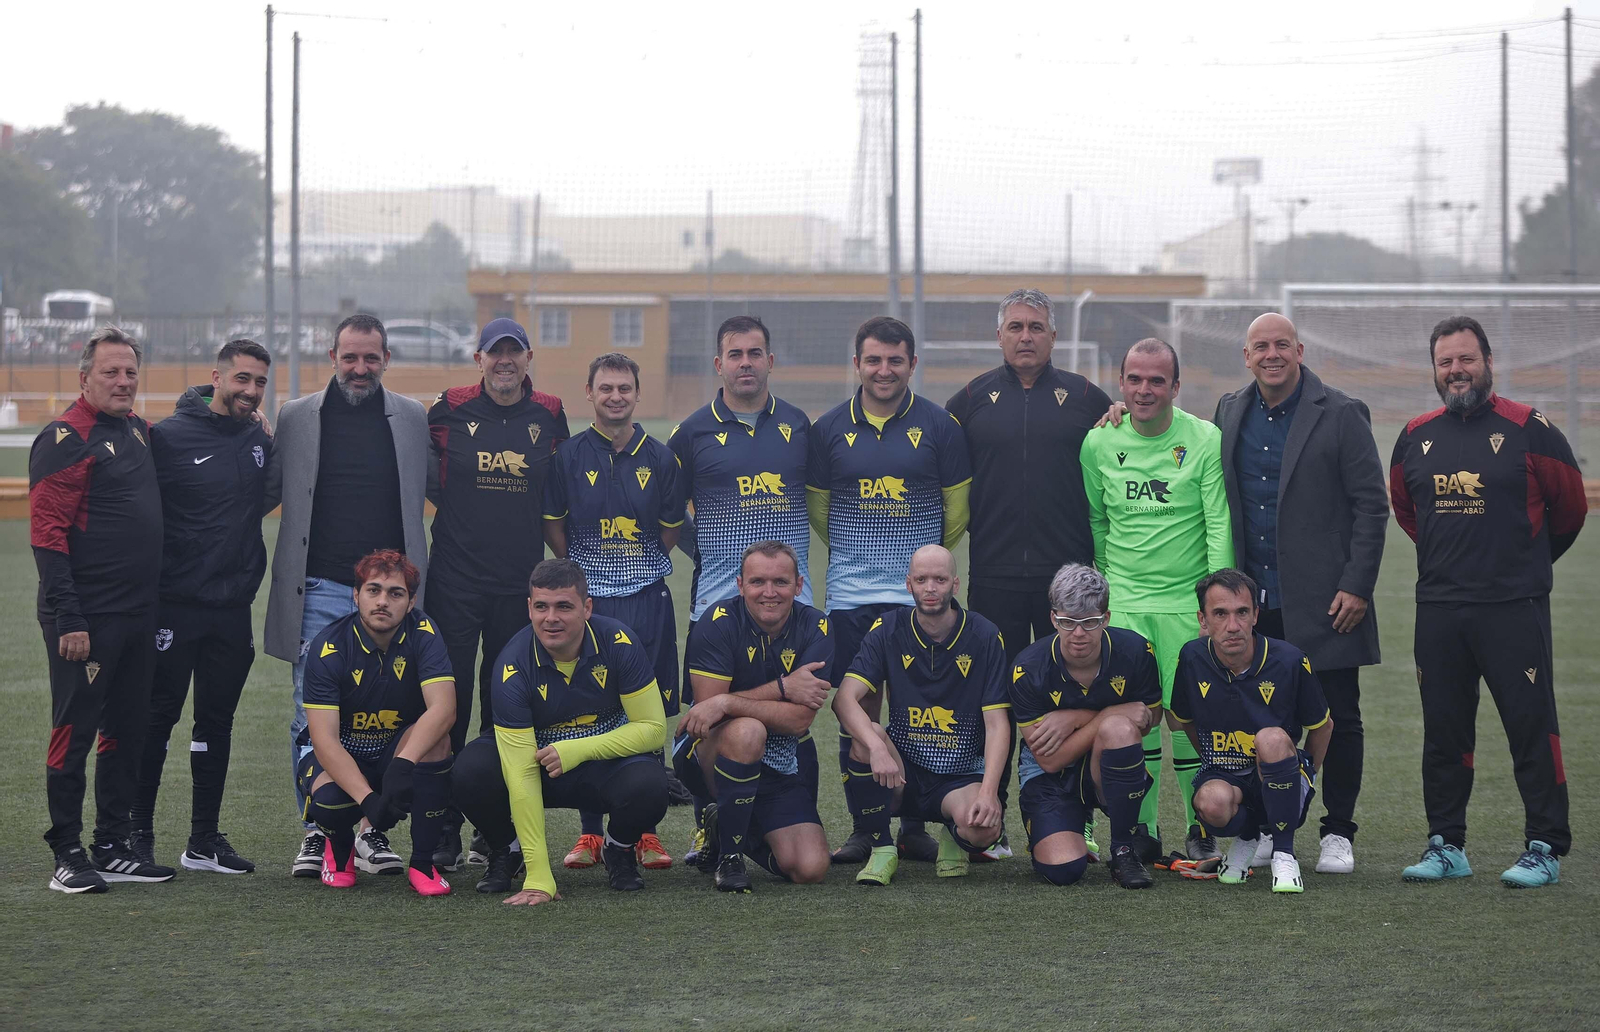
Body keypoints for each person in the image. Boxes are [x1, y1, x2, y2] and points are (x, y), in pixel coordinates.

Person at [1390, 315, 1585, 889]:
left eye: (1466, 359)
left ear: (1488, 361)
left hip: (1512, 607)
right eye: (1445, 362)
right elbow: (1409, 510)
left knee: (1530, 727)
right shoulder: (1414, 435)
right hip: (1440, 610)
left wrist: (1523, 562)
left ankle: (1544, 847)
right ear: (1434, 369)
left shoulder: (1531, 427)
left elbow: (1569, 510)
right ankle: (1446, 845)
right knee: (1443, 731)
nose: (1456, 371)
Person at [1211, 312, 1388, 875]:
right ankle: (1268, 825)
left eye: (1281, 345)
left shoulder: (1341, 413)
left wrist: (1356, 585)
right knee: (1266, 724)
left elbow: (1371, 505)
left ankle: (1338, 831)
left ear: (1300, 351)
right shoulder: (1228, 409)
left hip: (1328, 601)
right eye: (1260, 346)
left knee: (1340, 716)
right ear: (1246, 355)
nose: (1271, 354)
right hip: (1255, 606)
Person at [265, 313, 431, 878]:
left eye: (371, 358)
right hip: (320, 590)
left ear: (386, 360)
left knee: (395, 712)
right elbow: (260, 488)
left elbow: (443, 487)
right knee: (311, 715)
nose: (360, 369)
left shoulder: (412, 419)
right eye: (350, 357)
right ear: (331, 357)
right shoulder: (295, 418)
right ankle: (318, 831)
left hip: (395, 593)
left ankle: (371, 833)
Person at [807, 316, 972, 865]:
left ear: (912, 364)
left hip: (918, 598)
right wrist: (862, 555)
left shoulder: (940, 426)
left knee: (924, 709)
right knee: (860, 708)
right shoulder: (828, 428)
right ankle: (865, 826)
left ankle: (914, 826)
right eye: (873, 360)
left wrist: (918, 568)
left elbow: (956, 511)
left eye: (895, 360)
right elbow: (820, 511)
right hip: (852, 597)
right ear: (857, 364)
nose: (884, 370)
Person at [667, 315, 814, 862]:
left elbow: (820, 501)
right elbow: (668, 512)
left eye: (756, 352)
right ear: (719, 364)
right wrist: (706, 551)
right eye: (735, 354)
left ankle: (774, 816)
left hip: (790, 604)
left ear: (770, 361)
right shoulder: (691, 432)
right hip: (717, 605)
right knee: (717, 720)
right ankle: (711, 812)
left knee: (787, 718)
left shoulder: (800, 426)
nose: (746, 363)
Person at [1081, 337, 1232, 864]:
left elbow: (1217, 522)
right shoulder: (1099, 442)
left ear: (1175, 386)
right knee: (1132, 718)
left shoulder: (1204, 438)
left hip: (1186, 607)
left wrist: (1214, 604)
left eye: (1156, 380)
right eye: (1135, 379)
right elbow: (1098, 522)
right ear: (1121, 382)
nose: (1145, 390)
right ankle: (1140, 831)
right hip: (1124, 607)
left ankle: (1200, 827)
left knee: (1188, 720)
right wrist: (1110, 590)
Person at [424, 317, 568, 870]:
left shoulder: (551, 413)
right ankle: (441, 827)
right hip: (455, 583)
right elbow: (421, 467)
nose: (504, 361)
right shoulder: (449, 406)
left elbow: (559, 489)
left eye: (514, 352)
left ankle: (493, 824)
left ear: (528, 357)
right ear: (478, 358)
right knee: (447, 704)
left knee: (504, 703)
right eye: (494, 352)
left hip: (519, 585)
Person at [31, 326, 172, 893]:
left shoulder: (137, 430)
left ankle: (112, 845)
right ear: (83, 376)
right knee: (76, 729)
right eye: (110, 372)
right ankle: (67, 851)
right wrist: (70, 618)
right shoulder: (65, 438)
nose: (122, 381)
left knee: (127, 730)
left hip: (139, 616)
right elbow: (46, 534)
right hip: (86, 620)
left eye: (131, 372)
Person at [130, 339, 274, 875]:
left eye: (259, 382)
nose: (250, 391)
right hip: (174, 606)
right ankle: (137, 835)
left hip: (232, 607)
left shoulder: (259, 440)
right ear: (216, 376)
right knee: (157, 719)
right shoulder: (166, 438)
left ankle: (203, 840)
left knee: (217, 721)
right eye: (241, 379)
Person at [452, 560, 670, 902]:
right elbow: (521, 772)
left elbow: (654, 730)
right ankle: (509, 851)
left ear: (587, 608)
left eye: (564, 606)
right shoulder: (512, 664)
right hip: (537, 765)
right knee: (470, 770)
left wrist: (577, 749)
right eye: (541, 606)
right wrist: (540, 878)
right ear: (529, 608)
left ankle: (618, 848)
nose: (550, 618)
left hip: (602, 765)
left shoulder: (619, 642)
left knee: (652, 784)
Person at [545, 351, 683, 872]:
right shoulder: (568, 456)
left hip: (646, 599)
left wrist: (635, 571)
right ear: (590, 393)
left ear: (636, 394)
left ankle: (645, 831)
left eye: (624, 388)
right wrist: (584, 583)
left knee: (646, 713)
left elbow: (668, 532)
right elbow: (555, 529)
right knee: (591, 709)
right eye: (606, 389)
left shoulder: (662, 458)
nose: (616, 397)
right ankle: (590, 833)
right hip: (590, 606)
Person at [945, 289, 1112, 660]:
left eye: (1036, 327)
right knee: (997, 683)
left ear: (1052, 337)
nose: (1025, 336)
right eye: (1015, 327)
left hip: (1068, 572)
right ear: (999, 336)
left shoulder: (1088, 397)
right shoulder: (969, 399)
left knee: (1068, 678)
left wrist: (1120, 410)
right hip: (993, 570)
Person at [832, 545, 1009, 886]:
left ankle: (953, 834)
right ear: (908, 583)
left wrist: (989, 793)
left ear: (955, 584)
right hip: (902, 770)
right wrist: (877, 744)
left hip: (959, 776)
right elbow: (843, 700)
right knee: (864, 740)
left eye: (940, 579)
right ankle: (882, 847)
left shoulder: (984, 634)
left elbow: (998, 723)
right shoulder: (888, 628)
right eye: (922, 579)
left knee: (984, 829)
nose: (931, 588)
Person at [676, 541, 833, 893]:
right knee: (747, 731)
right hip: (706, 754)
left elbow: (799, 722)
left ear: (799, 585)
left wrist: (729, 702)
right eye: (758, 582)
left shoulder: (816, 626)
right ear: (740, 584)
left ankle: (727, 825)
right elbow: (707, 715)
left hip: (779, 762)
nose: (769, 592)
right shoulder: (715, 623)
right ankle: (729, 859)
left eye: (780, 582)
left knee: (811, 868)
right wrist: (783, 687)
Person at [299, 550, 456, 895]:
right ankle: (339, 852)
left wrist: (402, 764)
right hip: (344, 755)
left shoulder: (424, 633)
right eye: (373, 590)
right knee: (328, 801)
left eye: (395, 593)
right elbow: (323, 741)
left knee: (438, 742)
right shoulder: (328, 646)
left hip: (393, 753)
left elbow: (444, 709)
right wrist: (369, 801)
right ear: (356, 596)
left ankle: (423, 863)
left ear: (411, 601)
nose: (383, 601)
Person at [1170, 569, 1332, 894]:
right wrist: (1212, 759)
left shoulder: (1289, 660)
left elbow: (1322, 726)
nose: (1233, 626)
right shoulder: (1191, 657)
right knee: (1210, 802)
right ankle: (1248, 836)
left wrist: (1304, 774)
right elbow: (1182, 719)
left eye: (1242, 612)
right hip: (1226, 775)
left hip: (1279, 771)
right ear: (1203, 619)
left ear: (1256, 614)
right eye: (1220, 614)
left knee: (1270, 739)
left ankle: (1284, 853)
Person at [1009, 564, 1163, 889]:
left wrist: (1087, 720)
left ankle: (1123, 850)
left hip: (1106, 761)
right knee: (1064, 872)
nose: (1078, 634)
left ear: (1106, 619)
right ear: (1053, 619)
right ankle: (1071, 821)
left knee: (1119, 731)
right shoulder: (1028, 668)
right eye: (1067, 622)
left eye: (1090, 622)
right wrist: (1102, 715)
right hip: (1050, 774)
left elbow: (1148, 719)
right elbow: (1050, 760)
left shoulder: (1136, 651)